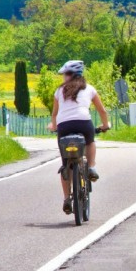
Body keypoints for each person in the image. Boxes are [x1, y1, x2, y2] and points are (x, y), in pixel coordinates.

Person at [47, 60, 109, 215]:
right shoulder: (89, 89)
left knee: (65, 165)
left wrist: (53, 126)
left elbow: (54, 114)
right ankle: (92, 167)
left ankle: (67, 199)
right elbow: (102, 111)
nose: (64, 77)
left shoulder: (59, 91)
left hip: (64, 126)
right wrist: (105, 125)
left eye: (65, 74)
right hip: (83, 123)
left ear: (71, 75)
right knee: (90, 141)